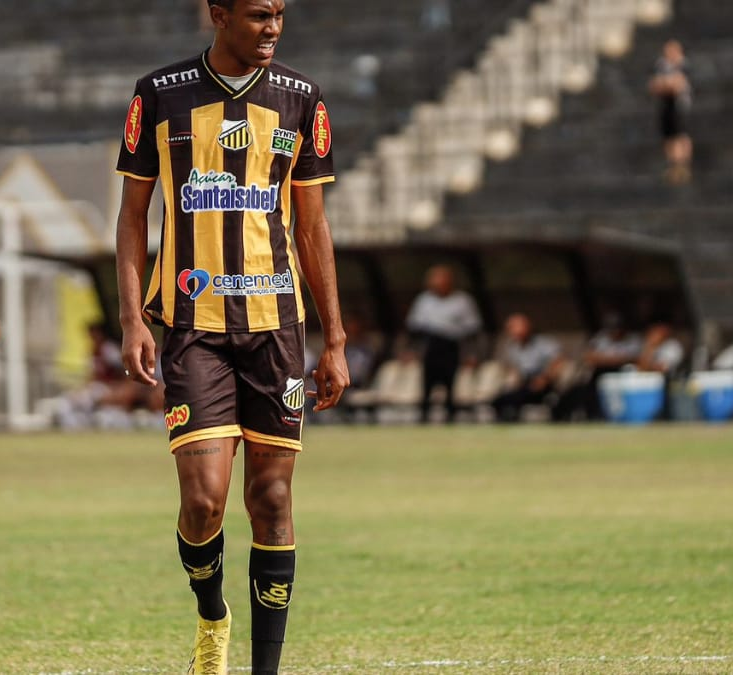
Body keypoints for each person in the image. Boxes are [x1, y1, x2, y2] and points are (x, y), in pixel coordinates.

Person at [114, 1, 350, 672]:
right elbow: (134, 217)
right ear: (216, 13)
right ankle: (211, 611)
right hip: (193, 328)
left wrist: (334, 337)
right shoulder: (158, 96)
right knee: (204, 498)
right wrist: (133, 317)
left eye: (279, 13)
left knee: (272, 498)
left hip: (277, 330)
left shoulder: (304, 100)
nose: (272, 26)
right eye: (256, 14)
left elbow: (312, 227)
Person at [405, 265, 481, 423]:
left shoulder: (462, 300)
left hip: (452, 346)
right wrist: (412, 350)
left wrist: (471, 354)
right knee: (427, 385)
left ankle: (450, 418)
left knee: (451, 385)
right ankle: (424, 418)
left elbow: (472, 330)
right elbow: (413, 328)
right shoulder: (424, 300)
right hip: (430, 346)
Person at [553, 312, 641, 421]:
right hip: (600, 374)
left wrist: (606, 360)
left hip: (624, 376)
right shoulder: (601, 339)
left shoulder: (632, 340)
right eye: (613, 329)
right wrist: (616, 360)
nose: (616, 332)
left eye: (618, 328)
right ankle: (593, 415)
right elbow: (589, 357)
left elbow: (637, 358)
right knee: (586, 386)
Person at [491, 313, 567, 422]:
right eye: (510, 328)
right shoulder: (512, 347)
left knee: (520, 397)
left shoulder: (543, 343)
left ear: (527, 327)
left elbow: (558, 361)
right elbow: (514, 369)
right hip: (525, 382)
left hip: (543, 382)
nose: (513, 331)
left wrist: (545, 378)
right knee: (499, 400)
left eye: (516, 327)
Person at [649, 39, 693, 184]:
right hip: (666, 106)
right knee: (668, 136)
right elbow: (654, 85)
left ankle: (682, 165)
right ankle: (673, 165)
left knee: (680, 135)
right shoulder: (661, 65)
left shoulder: (683, 65)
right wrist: (667, 85)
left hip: (679, 106)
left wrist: (666, 85)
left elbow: (678, 85)